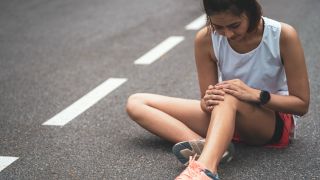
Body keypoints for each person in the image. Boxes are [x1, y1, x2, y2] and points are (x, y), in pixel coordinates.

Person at [126, 0, 310, 179]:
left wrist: (255, 94)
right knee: (136, 102)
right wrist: (207, 101)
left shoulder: (283, 35)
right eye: (219, 27)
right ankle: (209, 148)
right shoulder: (205, 39)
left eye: (234, 25)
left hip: (269, 122)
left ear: (252, 11)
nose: (227, 34)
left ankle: (205, 169)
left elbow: (301, 105)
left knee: (227, 94)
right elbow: (208, 105)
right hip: (224, 113)